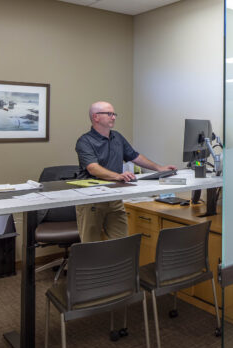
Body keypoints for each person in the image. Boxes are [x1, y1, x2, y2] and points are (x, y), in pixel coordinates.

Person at [74, 101, 176, 243]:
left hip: (114, 197)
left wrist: (159, 168)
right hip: (92, 200)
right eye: (109, 114)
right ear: (96, 117)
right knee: (90, 246)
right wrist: (118, 176)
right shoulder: (84, 141)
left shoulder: (117, 137)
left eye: (114, 114)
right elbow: (92, 168)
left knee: (121, 242)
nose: (114, 117)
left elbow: (135, 156)